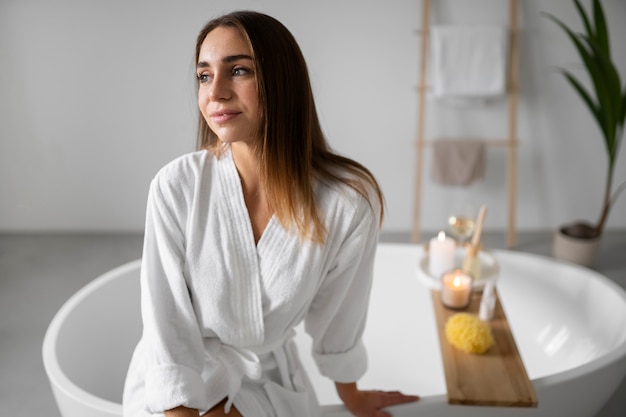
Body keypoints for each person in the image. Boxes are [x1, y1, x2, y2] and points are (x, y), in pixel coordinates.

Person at [123, 10, 419, 417]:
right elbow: (167, 329)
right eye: (204, 75)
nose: (216, 93)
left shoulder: (346, 203)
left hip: (267, 381)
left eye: (239, 70)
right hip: (177, 378)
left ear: (282, 81)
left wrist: (353, 395)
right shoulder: (177, 187)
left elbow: (340, 317)